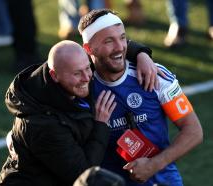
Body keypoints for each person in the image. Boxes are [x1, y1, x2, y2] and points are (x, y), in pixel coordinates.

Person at [78, 9, 203, 186]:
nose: (120, 47)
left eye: (122, 38)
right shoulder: (81, 86)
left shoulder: (156, 75)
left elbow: (193, 131)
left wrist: (154, 165)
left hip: (162, 180)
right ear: (89, 49)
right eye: (109, 41)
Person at [0, 40, 117, 186]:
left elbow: (110, 50)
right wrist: (101, 125)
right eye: (77, 73)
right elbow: (84, 176)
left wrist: (140, 54)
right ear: (54, 75)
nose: (87, 77)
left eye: (87, 68)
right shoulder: (42, 124)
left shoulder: (68, 75)